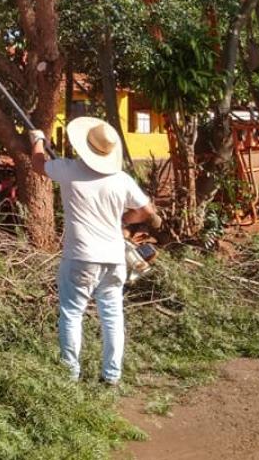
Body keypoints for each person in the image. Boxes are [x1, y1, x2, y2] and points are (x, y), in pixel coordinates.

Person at [29, 117, 161, 385]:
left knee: (72, 312)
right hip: (113, 258)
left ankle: (70, 375)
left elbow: (37, 164)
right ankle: (111, 377)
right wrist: (125, 220)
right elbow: (148, 212)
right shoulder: (121, 179)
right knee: (112, 315)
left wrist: (38, 140)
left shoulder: (68, 169)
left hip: (80, 257)